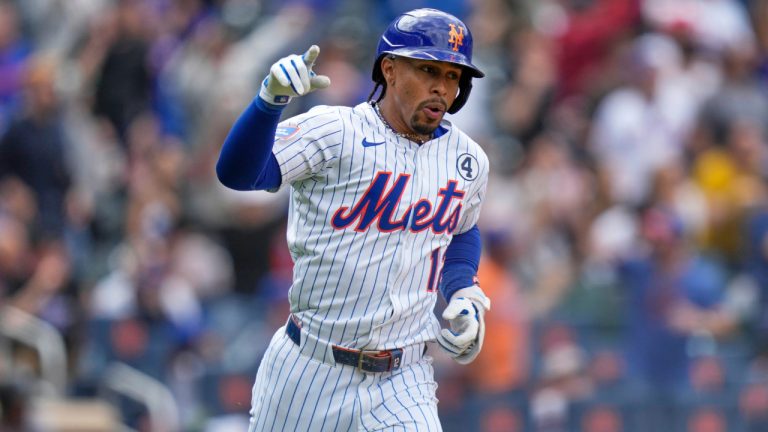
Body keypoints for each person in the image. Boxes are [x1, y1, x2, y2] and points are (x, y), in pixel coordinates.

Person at [216, 8, 491, 431]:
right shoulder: (334, 131)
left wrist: (464, 291)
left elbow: (462, 229)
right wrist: (268, 102)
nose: (442, 87)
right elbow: (238, 174)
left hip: (404, 378)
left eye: (453, 76)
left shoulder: (468, 159)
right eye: (428, 69)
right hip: (310, 367)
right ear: (390, 69)